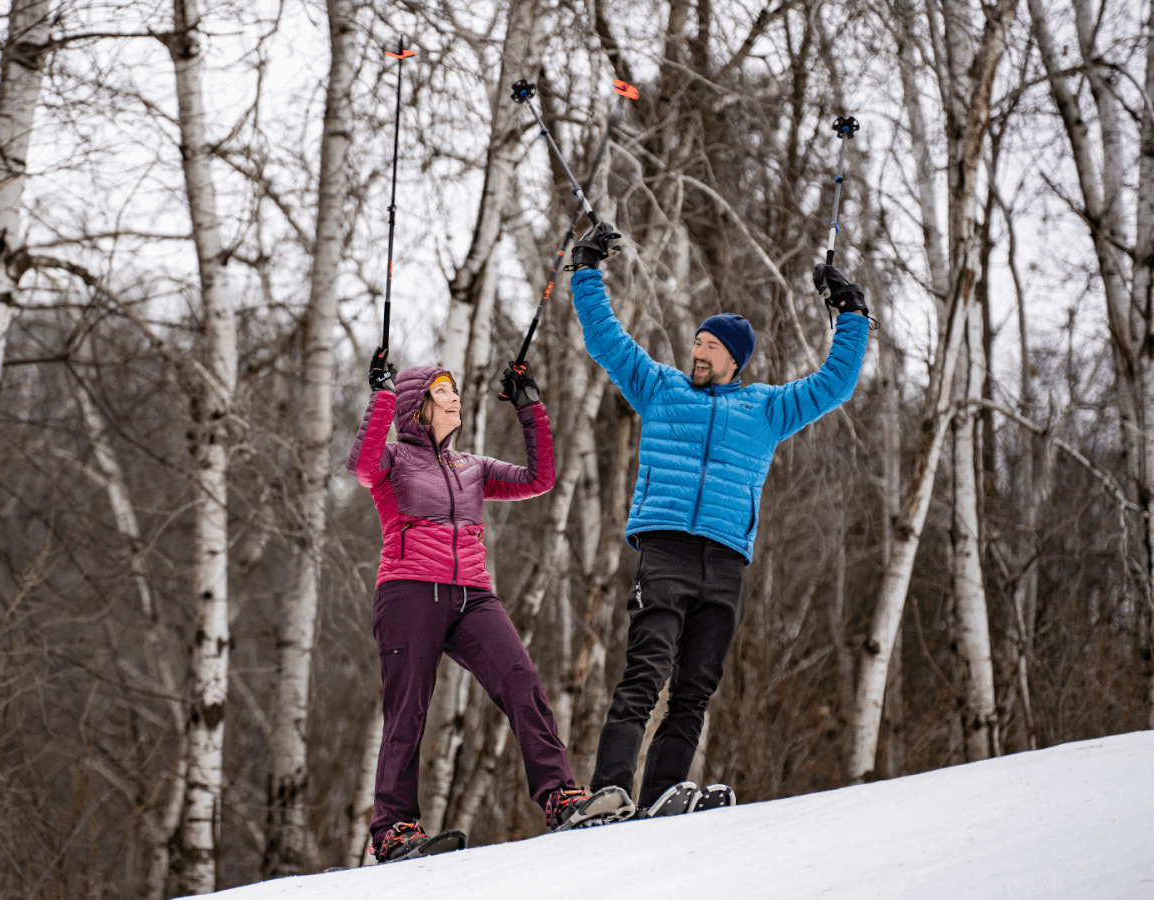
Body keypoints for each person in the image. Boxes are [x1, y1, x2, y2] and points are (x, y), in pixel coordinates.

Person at [565, 226, 871, 818]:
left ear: (735, 359)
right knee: (644, 673)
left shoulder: (767, 409)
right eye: (697, 342)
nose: (698, 352)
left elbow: (835, 383)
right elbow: (605, 339)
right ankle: (610, 790)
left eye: (710, 346)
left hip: (726, 564)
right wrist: (586, 269)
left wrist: (851, 312)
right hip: (666, 552)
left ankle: (662, 796)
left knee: (694, 690)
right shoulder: (660, 388)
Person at [346, 355, 627, 862]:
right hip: (409, 591)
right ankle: (392, 830)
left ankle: (560, 796)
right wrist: (382, 396)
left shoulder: (471, 467)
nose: (454, 396)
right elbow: (361, 466)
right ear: (417, 408)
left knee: (521, 681)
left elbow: (539, 478)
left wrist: (529, 406)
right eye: (442, 391)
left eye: (454, 389)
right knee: (408, 707)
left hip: (473, 595)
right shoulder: (392, 459)